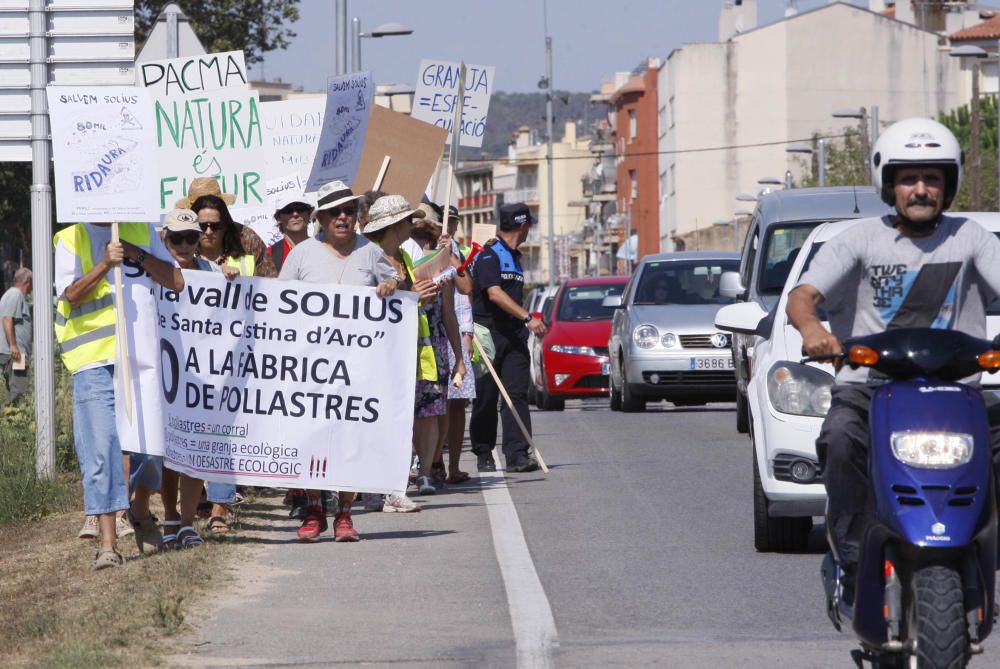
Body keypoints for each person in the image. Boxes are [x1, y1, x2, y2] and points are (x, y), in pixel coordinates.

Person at [786, 117, 1000, 595]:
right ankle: (851, 556)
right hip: (871, 388)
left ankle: (986, 549)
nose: (921, 190)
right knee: (840, 439)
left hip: (958, 393)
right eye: (908, 179)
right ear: (889, 184)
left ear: (949, 186)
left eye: (932, 179)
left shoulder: (973, 238)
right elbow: (803, 296)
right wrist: (813, 328)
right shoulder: (858, 240)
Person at [54, 219, 184, 569]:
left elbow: (176, 281)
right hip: (93, 360)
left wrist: (136, 254)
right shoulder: (72, 237)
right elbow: (71, 295)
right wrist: (104, 264)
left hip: (140, 359)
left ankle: (140, 512)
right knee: (103, 452)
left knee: (150, 448)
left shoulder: (140, 230)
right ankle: (108, 543)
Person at [279, 180, 402, 539]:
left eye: (349, 210)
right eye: (335, 212)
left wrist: (390, 286)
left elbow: (396, 284)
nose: (343, 217)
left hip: (358, 368)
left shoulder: (370, 252)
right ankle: (315, 510)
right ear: (321, 218)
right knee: (312, 438)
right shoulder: (301, 254)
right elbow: (280, 303)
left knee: (351, 439)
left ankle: (345, 513)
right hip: (310, 366)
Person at [363, 195, 467, 497]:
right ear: (394, 225)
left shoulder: (408, 259)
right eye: (408, 220)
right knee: (390, 415)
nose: (413, 225)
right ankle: (385, 480)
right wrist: (411, 296)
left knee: (425, 410)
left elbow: (428, 303)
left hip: (416, 348)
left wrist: (420, 295)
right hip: (382, 352)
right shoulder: (369, 256)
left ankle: (417, 475)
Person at [188, 186, 278, 534]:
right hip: (195, 356)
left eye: (216, 225)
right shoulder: (180, 243)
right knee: (195, 428)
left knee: (224, 428)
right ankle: (195, 499)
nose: (208, 232)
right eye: (203, 225)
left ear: (226, 224)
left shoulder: (248, 244)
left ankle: (220, 507)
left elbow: (273, 291)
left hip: (240, 355)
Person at [157, 209, 237, 548]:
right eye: (178, 238)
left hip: (203, 375)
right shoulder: (155, 269)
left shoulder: (211, 271)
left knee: (196, 450)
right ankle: (170, 516)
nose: (186, 244)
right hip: (166, 371)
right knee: (169, 452)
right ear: (165, 239)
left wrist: (230, 277)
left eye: (192, 237)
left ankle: (187, 522)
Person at [469, 203, 546, 473]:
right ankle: (483, 451)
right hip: (488, 334)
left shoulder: (515, 256)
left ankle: (517, 454)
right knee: (487, 396)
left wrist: (523, 321)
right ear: (522, 225)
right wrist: (528, 317)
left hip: (513, 336)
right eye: (529, 225)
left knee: (516, 395)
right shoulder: (490, 254)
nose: (530, 230)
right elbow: (494, 293)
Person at [0, 267, 32, 406]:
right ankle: (15, 423)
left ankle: (11, 420)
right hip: (16, 355)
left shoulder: (11, 294)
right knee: (18, 392)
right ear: (28, 281)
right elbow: (7, 319)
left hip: (14, 353)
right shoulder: (15, 294)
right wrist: (13, 345)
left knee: (13, 390)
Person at [269, 193, 315, 272]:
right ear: (278, 218)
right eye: (288, 210)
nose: (295, 214)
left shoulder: (324, 249)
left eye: (300, 209)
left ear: (309, 214)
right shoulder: (269, 254)